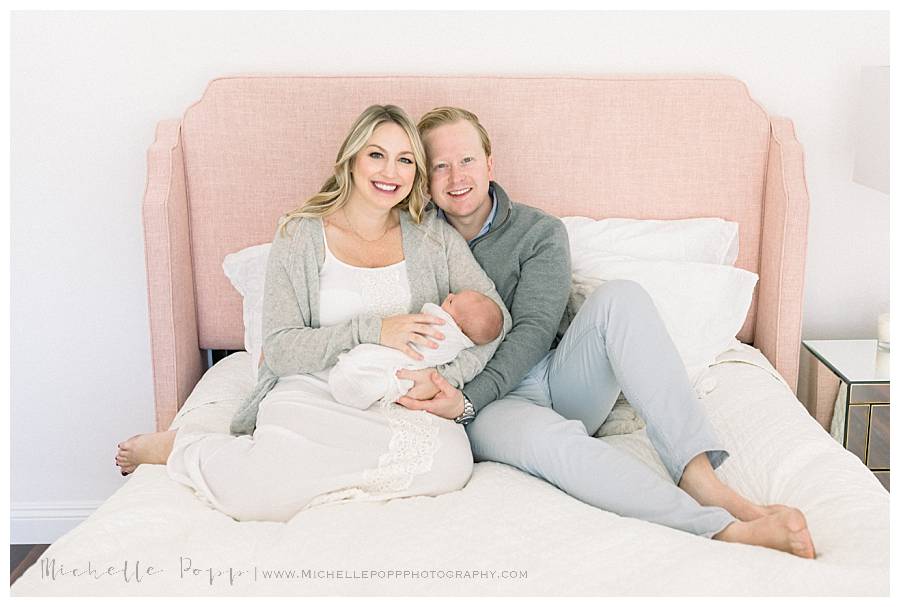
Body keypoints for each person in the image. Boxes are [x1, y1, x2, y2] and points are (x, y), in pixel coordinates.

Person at [393, 106, 816, 559]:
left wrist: (471, 395)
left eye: (468, 160)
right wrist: (468, 402)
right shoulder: (417, 241)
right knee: (547, 442)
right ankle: (718, 529)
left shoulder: (539, 232)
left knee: (622, 297)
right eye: (440, 165)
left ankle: (701, 477)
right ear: (425, 176)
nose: (457, 176)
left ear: (490, 164)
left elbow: (535, 328)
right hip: (491, 408)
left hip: (557, 377)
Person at [114, 104, 511, 522]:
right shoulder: (300, 233)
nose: (390, 171)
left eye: (405, 160)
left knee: (448, 464)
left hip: (394, 398)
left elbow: (494, 319)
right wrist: (374, 331)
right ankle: (185, 446)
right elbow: (281, 349)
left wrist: (439, 380)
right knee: (256, 495)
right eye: (376, 154)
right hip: (311, 390)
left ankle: (318, 485)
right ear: (351, 159)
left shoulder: (433, 236)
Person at [329, 290, 504, 410]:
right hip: (401, 368)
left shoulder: (444, 330)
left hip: (412, 371)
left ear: (456, 325)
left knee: (378, 364)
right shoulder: (460, 345)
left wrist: (439, 380)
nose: (450, 294)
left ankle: (356, 382)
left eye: (451, 300)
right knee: (382, 370)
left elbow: (427, 315)